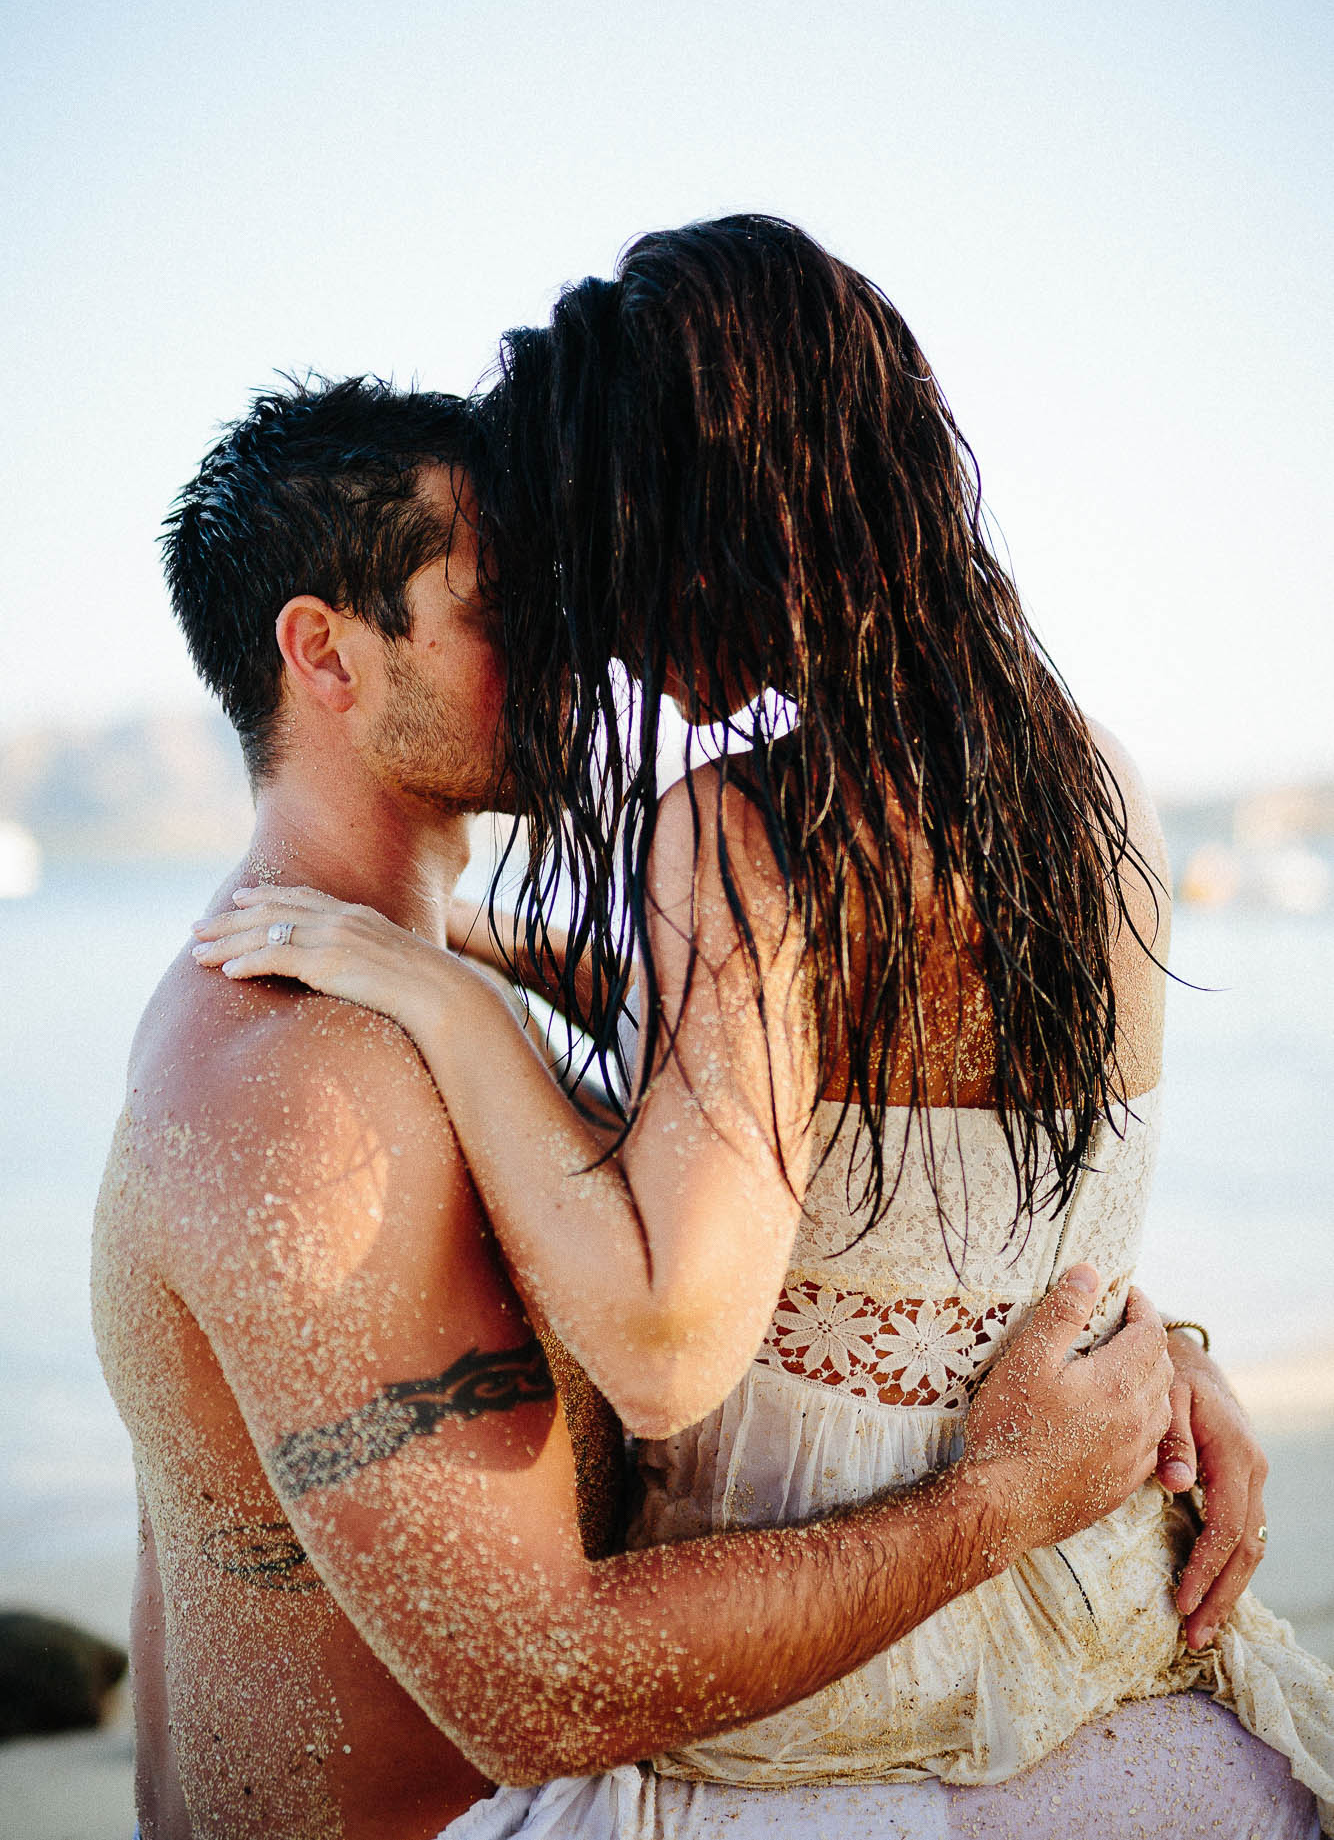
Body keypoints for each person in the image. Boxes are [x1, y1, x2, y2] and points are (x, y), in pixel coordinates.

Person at [196, 215, 1331, 1838]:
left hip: (820, 1707)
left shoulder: (743, 829)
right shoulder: (1088, 781)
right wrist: (510, 941)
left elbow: (664, 1346)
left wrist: (446, 998)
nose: (582, 620)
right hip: (1097, 1636)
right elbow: (905, 1148)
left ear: (699, 516)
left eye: (591, 536)